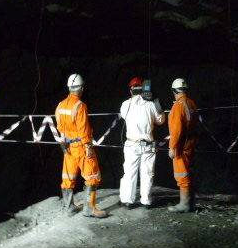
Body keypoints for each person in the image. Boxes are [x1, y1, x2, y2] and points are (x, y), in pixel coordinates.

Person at [55, 73, 107, 218]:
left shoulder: (60, 105)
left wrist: (64, 142)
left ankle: (69, 207)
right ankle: (90, 209)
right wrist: (89, 147)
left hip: (67, 147)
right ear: (81, 88)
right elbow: (83, 130)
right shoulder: (80, 106)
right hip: (80, 147)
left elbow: (60, 127)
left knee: (68, 177)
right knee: (92, 176)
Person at [119, 77, 166, 209]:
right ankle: (146, 201)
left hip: (131, 144)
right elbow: (161, 120)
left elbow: (123, 115)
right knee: (147, 173)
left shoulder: (125, 105)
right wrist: (156, 101)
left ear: (131, 90)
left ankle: (128, 200)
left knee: (129, 173)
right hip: (148, 145)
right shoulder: (151, 105)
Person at [167, 78, 198, 213]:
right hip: (190, 142)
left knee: (182, 174)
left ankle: (184, 204)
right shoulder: (191, 103)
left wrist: (172, 147)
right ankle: (190, 202)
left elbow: (176, 130)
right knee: (188, 171)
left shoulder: (178, 106)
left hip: (181, 145)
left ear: (174, 91)